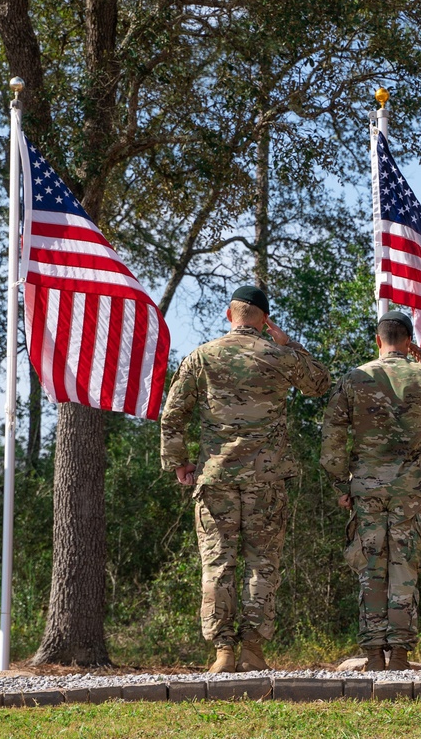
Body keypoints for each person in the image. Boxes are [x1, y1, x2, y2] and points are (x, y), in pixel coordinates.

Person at [160, 285, 330, 673]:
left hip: (215, 477)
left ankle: (222, 652)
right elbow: (319, 383)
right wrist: (291, 344)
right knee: (262, 564)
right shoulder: (278, 355)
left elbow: (173, 416)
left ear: (228, 314)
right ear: (264, 319)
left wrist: (179, 463)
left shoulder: (201, 357)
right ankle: (252, 649)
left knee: (218, 564)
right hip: (265, 479)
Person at [320, 311, 421, 671]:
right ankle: (401, 654)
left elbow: (331, 440)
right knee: (404, 568)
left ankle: (374, 653)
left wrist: (339, 485)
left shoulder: (354, 379)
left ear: (379, 341)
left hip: (366, 489)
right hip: (410, 490)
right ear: (409, 342)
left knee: (370, 568)